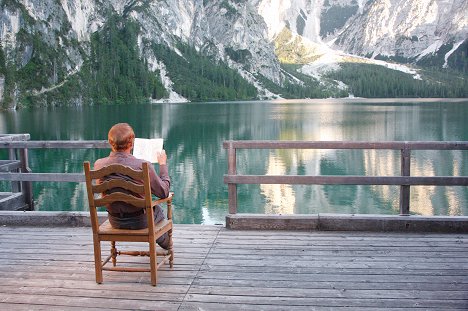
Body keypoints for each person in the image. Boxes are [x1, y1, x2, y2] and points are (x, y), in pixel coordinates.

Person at [94, 123, 171, 249]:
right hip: (140, 222)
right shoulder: (142, 165)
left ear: (110, 142)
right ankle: (167, 244)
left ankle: (165, 242)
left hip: (115, 221)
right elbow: (164, 192)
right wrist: (162, 164)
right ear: (131, 143)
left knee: (153, 211)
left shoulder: (98, 165)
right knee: (158, 211)